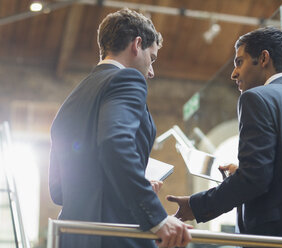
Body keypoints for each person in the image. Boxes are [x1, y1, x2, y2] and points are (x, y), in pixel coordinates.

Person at [168, 26, 282, 241]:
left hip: (281, 240)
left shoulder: (257, 98)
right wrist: (242, 173)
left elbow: (254, 180)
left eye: (239, 62)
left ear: (263, 58)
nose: (234, 74)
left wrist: (196, 205)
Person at [49, 9, 191, 248]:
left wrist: (133, 185)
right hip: (116, 236)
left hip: (74, 236)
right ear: (137, 44)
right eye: (152, 58)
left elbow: (58, 191)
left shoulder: (74, 97)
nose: (151, 71)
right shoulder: (127, 80)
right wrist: (155, 217)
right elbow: (115, 142)